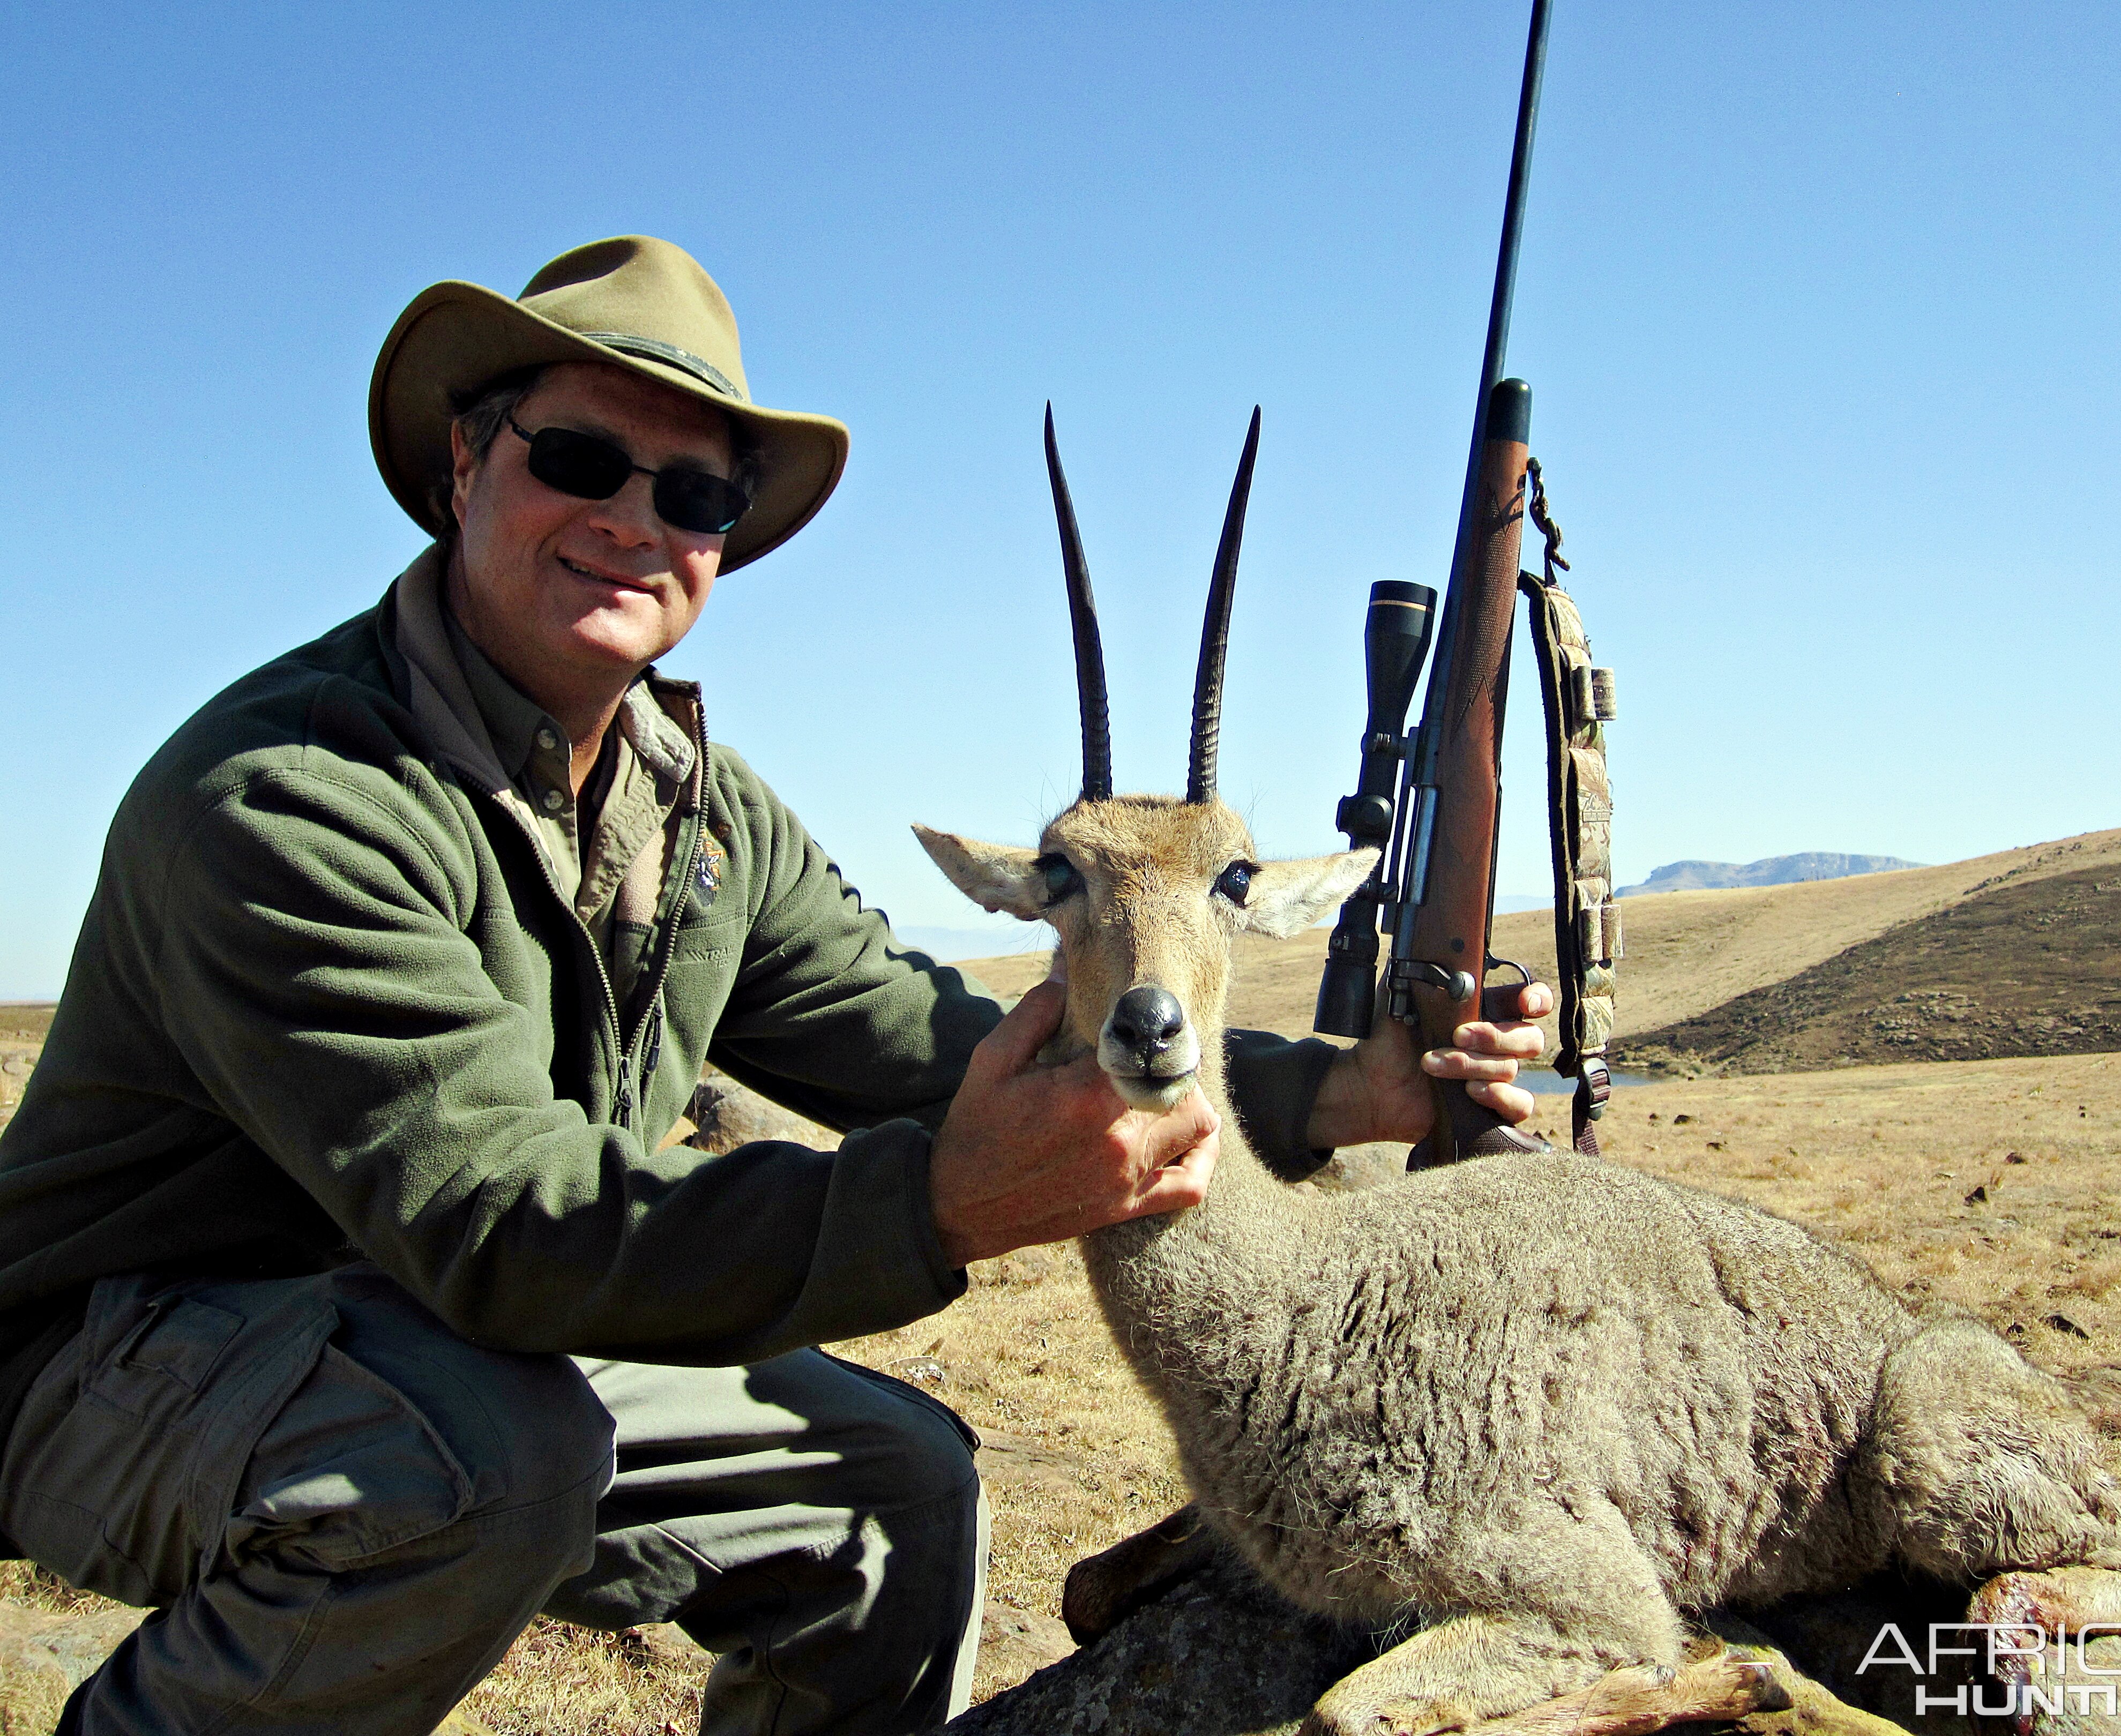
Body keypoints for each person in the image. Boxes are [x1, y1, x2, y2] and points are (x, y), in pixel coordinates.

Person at [0, 236, 1549, 1735]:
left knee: (897, 1487)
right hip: (122, 1354)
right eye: (579, 462)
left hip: (435, 1327)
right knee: (485, 1461)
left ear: (725, 539)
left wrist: (1343, 1088)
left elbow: (931, 1042)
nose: (634, 520)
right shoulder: (290, 796)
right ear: (464, 465)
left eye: (692, 493)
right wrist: (942, 1208)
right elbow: (495, 1222)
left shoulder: (701, 816)